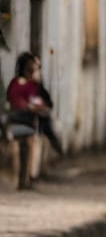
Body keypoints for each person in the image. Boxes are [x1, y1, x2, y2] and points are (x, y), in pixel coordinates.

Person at [6, 53, 64, 186]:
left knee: (26, 147)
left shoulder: (19, 84)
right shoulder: (29, 85)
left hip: (24, 122)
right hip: (23, 122)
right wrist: (31, 107)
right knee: (26, 147)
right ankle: (24, 178)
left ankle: (24, 178)